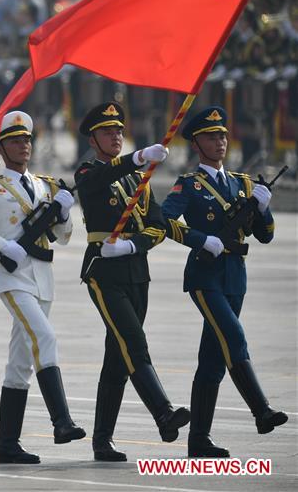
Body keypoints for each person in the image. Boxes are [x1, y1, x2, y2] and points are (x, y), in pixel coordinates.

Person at [0, 111, 85, 463]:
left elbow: (63, 237)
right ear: (2, 148)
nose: (23, 145)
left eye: (26, 139)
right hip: (13, 278)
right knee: (45, 337)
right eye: (15, 140)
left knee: (20, 362)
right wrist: (0, 246)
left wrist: (64, 214)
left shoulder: (44, 186)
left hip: (43, 277)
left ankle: (7, 445)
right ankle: (62, 420)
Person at [162, 106, 287, 457]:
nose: (220, 142)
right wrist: (202, 240)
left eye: (222, 136)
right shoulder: (188, 185)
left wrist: (264, 209)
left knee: (213, 361)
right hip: (204, 277)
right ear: (197, 143)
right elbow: (164, 220)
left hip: (235, 278)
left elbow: (266, 236)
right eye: (212, 137)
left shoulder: (242, 184)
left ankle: (199, 440)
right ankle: (261, 411)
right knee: (233, 336)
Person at [75, 101, 188, 461]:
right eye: (108, 132)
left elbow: (157, 224)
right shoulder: (88, 171)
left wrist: (133, 245)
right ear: (93, 140)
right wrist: (137, 158)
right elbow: (96, 183)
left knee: (118, 356)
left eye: (119, 131)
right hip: (103, 272)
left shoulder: (137, 179)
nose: (115, 136)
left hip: (136, 271)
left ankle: (101, 441)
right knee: (134, 343)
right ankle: (163, 413)